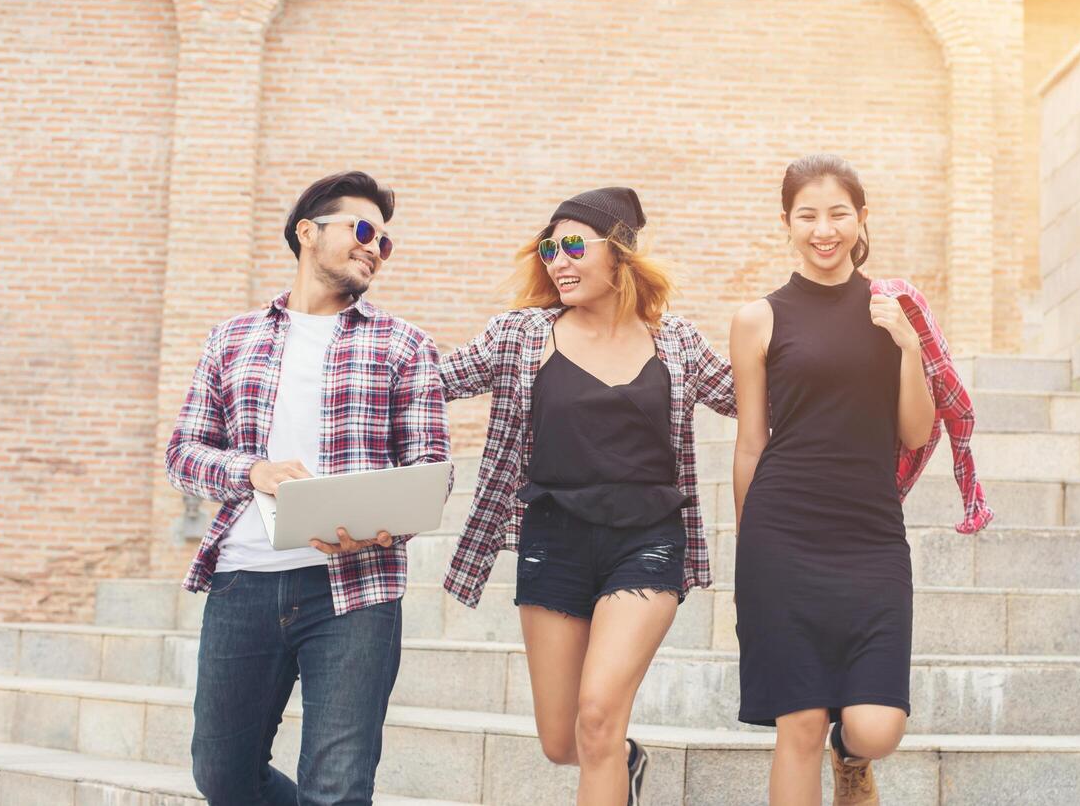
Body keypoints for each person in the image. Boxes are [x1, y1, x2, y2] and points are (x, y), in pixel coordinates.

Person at [439, 187, 735, 805]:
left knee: (597, 716)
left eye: (574, 244)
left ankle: (611, 749)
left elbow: (753, 397)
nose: (558, 260)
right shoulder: (522, 335)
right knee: (563, 741)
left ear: (620, 252)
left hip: (648, 539)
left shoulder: (674, 339)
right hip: (553, 540)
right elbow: (433, 380)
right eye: (550, 248)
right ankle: (624, 764)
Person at [165, 171, 449, 806]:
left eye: (385, 241)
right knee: (222, 776)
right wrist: (253, 472)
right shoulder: (230, 338)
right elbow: (182, 454)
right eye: (363, 230)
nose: (375, 248)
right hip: (243, 581)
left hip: (356, 589)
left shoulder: (405, 346)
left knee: (339, 788)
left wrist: (387, 521)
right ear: (306, 233)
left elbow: (431, 466)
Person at [729, 155, 939, 806]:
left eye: (838, 214)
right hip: (781, 534)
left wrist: (908, 347)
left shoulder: (893, 310)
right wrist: (749, 553)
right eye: (808, 216)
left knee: (874, 727)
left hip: (869, 536)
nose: (824, 230)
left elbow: (914, 431)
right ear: (787, 223)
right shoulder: (756, 320)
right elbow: (749, 443)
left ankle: (852, 758)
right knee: (798, 723)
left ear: (861, 219)